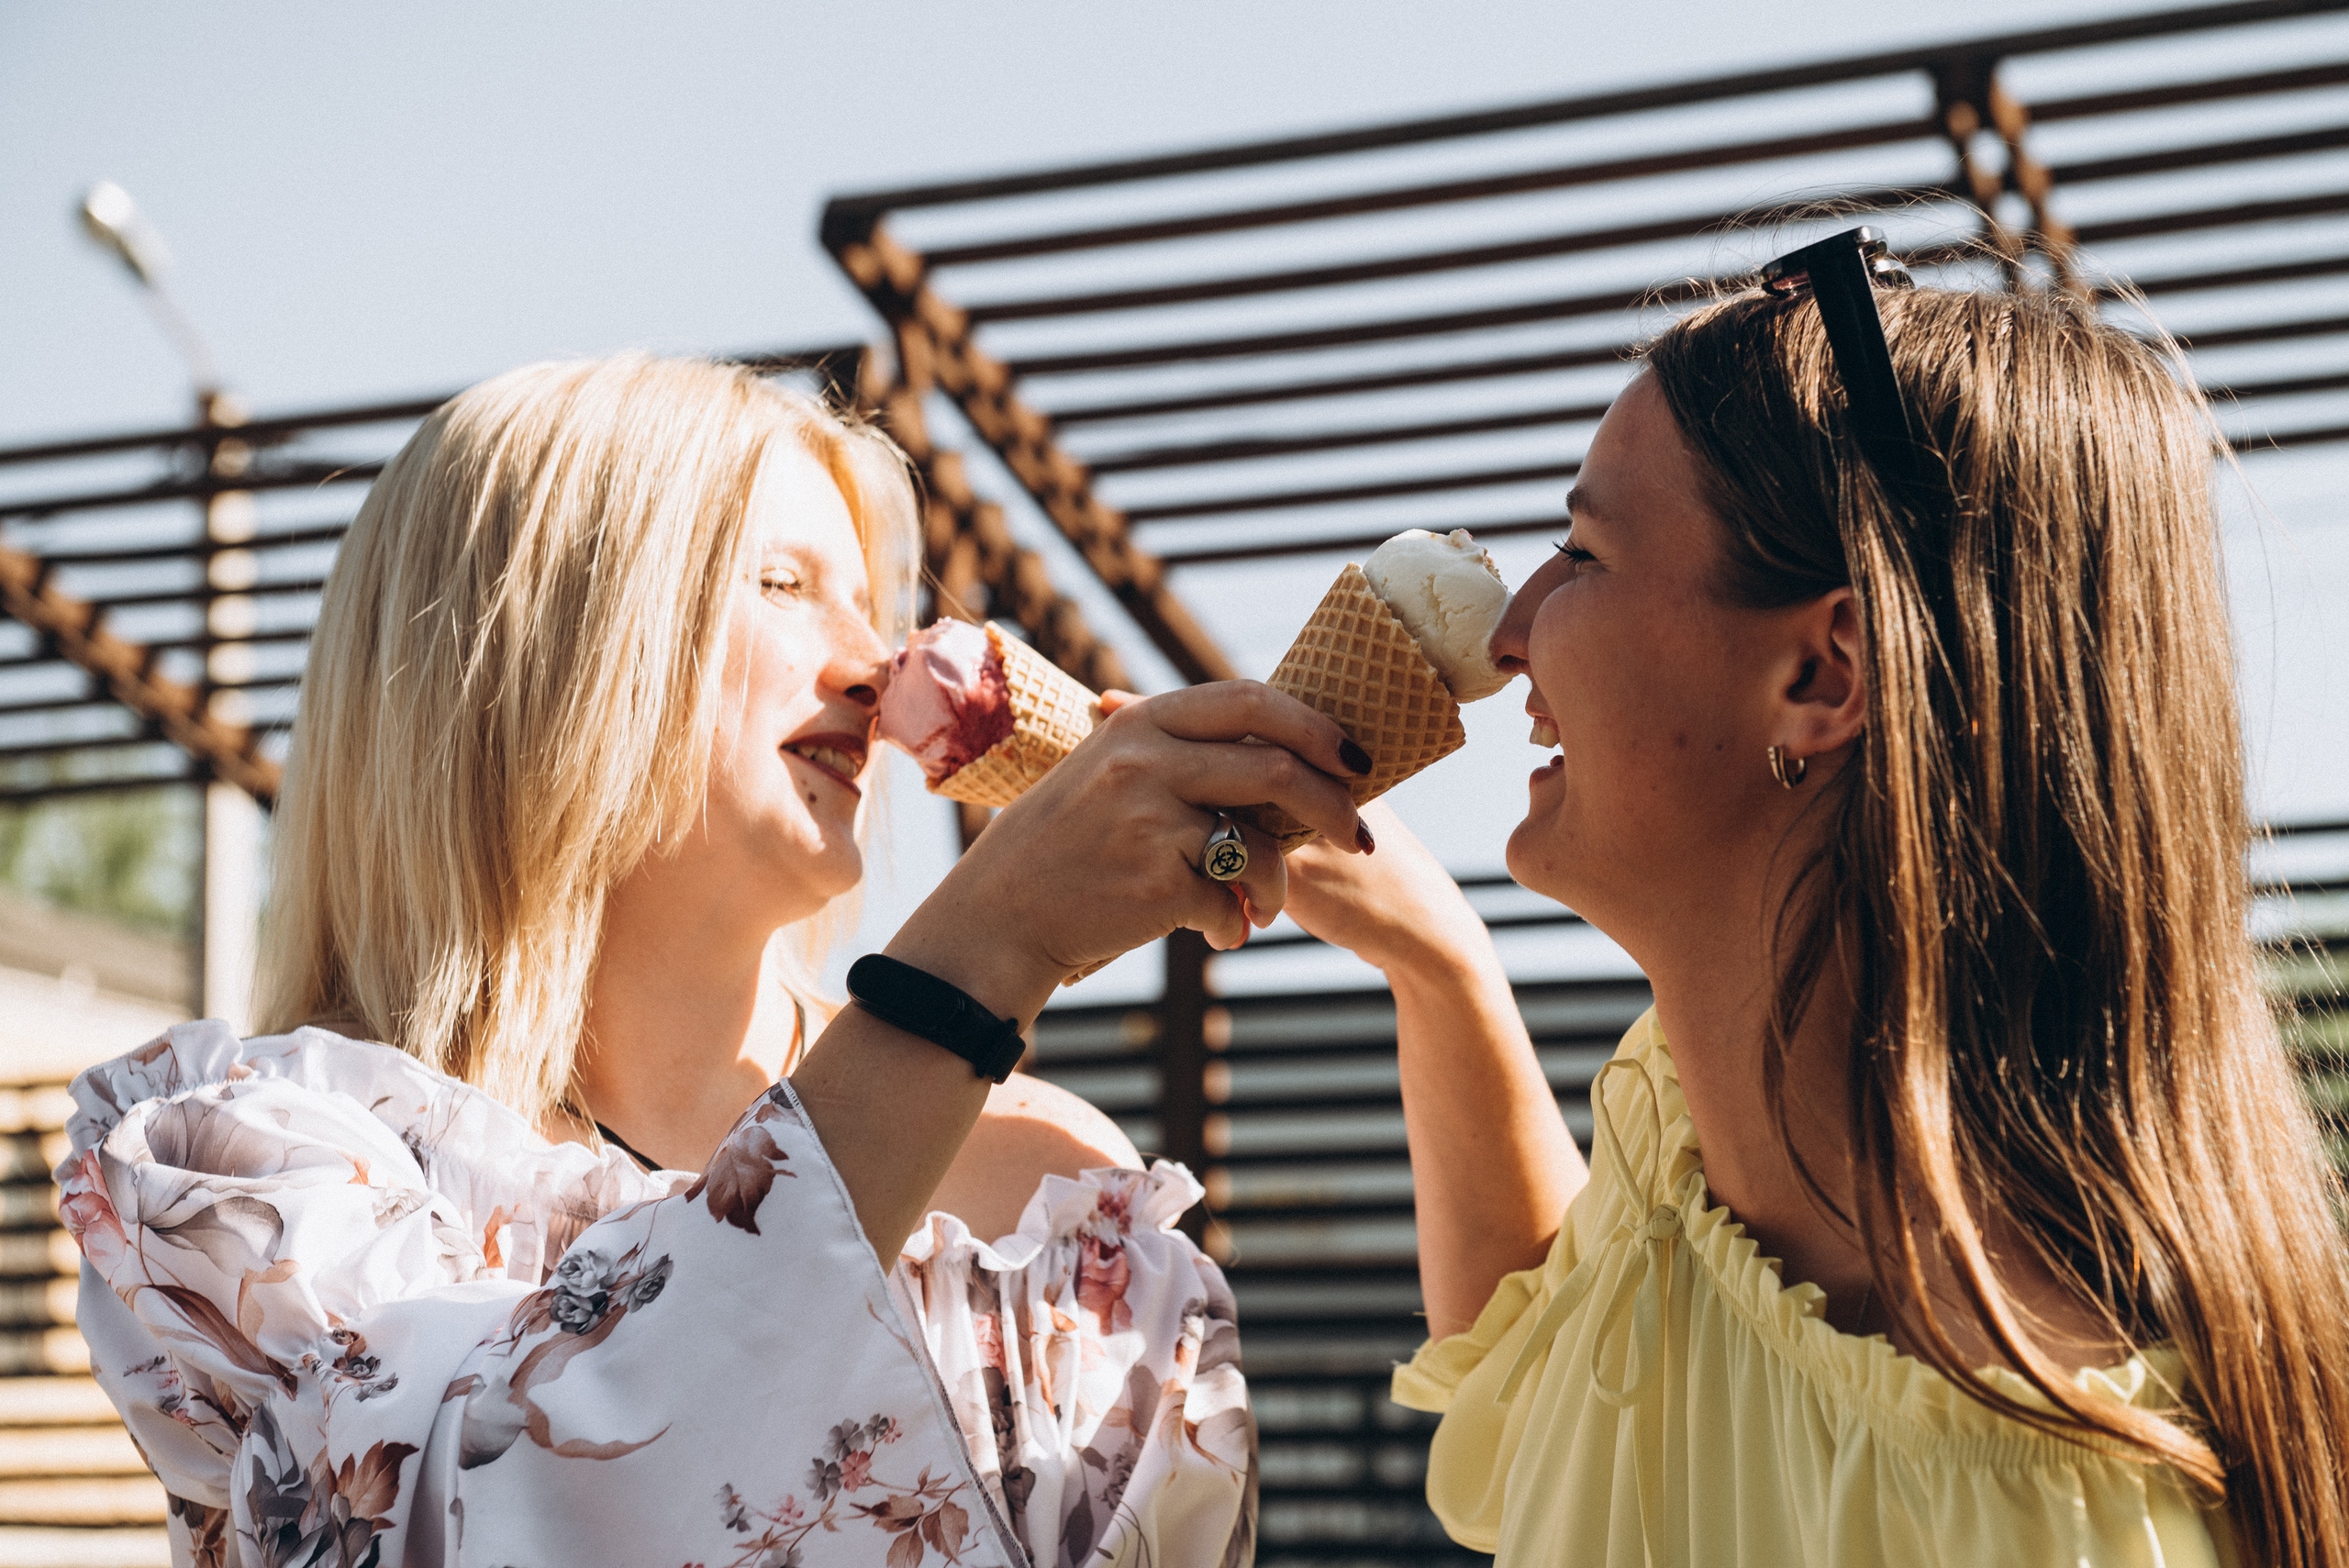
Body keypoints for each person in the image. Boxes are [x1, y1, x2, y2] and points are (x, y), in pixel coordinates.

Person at [58, 353, 1374, 1567]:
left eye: (871, 605)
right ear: (543, 654)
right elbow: (486, 1518)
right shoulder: (250, 1172)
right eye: (785, 585)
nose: (876, 664)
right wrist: (984, 948)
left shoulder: (1051, 1191)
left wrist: (1434, 974)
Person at [1281, 266, 2349, 1566]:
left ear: (1823, 673)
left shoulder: (2026, 1510)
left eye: (1588, 554)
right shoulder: (1695, 1139)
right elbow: (1536, 1387)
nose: (1512, 633)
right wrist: (1434, 963)